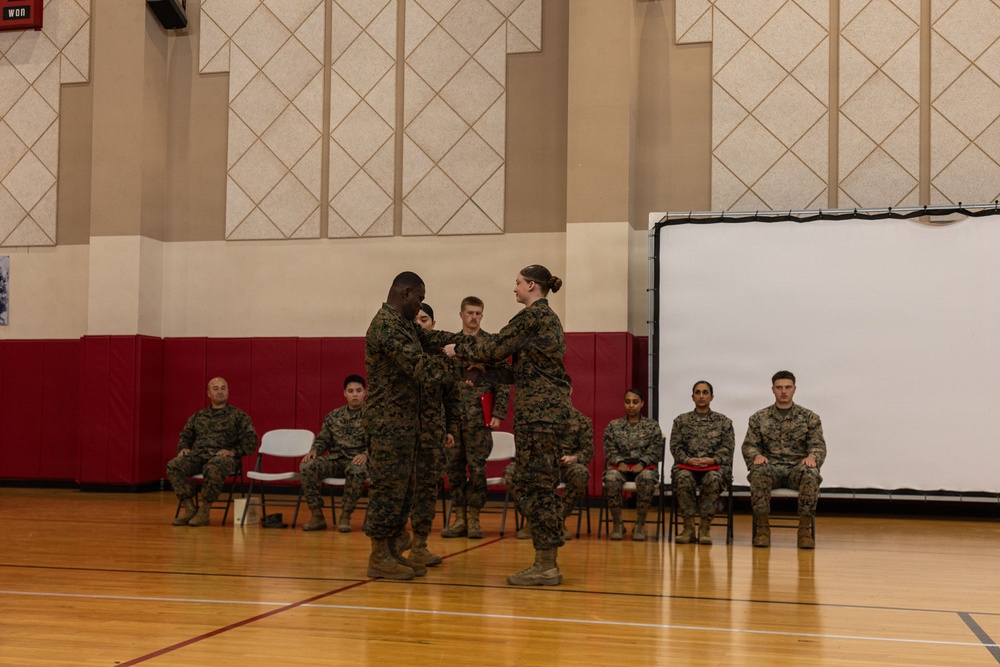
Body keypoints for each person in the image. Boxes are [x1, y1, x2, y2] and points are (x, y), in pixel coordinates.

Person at [444, 264, 572, 586]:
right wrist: (484, 374)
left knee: (538, 487)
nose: (514, 288)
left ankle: (546, 564)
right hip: (544, 412)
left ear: (531, 285)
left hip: (539, 416)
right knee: (536, 485)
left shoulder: (533, 317)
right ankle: (547, 555)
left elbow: (495, 346)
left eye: (517, 283)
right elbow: (525, 372)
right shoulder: (548, 320)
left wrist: (457, 349)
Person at [364, 271, 466, 580]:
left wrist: (468, 342)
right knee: (387, 489)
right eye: (419, 298)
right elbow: (421, 367)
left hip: (406, 425)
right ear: (406, 293)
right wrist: (461, 368)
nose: (421, 304)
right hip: (388, 425)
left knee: (403, 491)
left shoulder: (404, 326)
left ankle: (394, 552)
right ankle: (379, 555)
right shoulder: (385, 327)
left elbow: (432, 338)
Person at [441, 296, 510, 540]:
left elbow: (503, 381)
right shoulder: (450, 345)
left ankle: (474, 517)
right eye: (470, 313)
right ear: (461, 314)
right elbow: (442, 381)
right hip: (454, 418)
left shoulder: (491, 344)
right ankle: (459, 516)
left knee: (478, 469)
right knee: (455, 469)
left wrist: (498, 413)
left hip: (479, 418)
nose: (474, 317)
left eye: (478, 313)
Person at [742, 370, 827, 549]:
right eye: (779, 387)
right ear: (772, 389)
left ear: (794, 389)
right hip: (770, 468)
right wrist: (756, 456)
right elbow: (749, 445)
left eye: (787, 387)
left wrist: (812, 457)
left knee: (811, 473)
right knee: (758, 471)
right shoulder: (759, 418)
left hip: (797, 468)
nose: (783, 391)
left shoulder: (809, 418)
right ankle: (763, 530)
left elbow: (818, 445)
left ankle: (804, 530)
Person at [406, 303, 459, 566]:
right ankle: (393, 544)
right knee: (402, 490)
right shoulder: (402, 352)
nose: (419, 324)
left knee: (427, 491)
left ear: (433, 325)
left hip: (432, 436)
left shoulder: (442, 357)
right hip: (403, 434)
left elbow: (452, 398)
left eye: (424, 319)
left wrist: (450, 429)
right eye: (415, 320)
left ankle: (419, 546)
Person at [167, 377, 257, 527]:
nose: (220, 391)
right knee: (173, 465)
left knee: (214, 466)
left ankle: (204, 510)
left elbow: (251, 441)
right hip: (200, 455)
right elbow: (185, 435)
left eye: (223, 388)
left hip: (223, 458)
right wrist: (183, 447)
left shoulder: (238, 416)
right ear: (208, 393)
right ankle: (189, 507)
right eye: (215, 389)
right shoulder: (198, 416)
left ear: (228, 391)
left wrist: (233, 452)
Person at [511, 377, 592, 542]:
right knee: (511, 472)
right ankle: (533, 520)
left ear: (570, 391)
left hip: (566, 467)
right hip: (542, 465)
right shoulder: (539, 419)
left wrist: (573, 458)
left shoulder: (582, 421)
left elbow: (588, 451)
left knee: (581, 473)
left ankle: (557, 521)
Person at [299, 374, 369, 532]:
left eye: (358, 390)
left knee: (355, 470)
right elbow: (323, 439)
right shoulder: (333, 416)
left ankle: (345, 516)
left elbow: (380, 443)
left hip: (359, 461)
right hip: (336, 460)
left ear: (365, 392)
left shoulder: (373, 417)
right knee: (307, 466)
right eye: (351, 391)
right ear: (345, 393)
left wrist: (366, 454)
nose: (355, 394)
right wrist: (314, 450)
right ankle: (317, 516)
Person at [669, 381, 734, 545]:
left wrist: (712, 460)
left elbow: (727, 448)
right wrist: (688, 460)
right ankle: (689, 528)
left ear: (711, 397)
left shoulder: (723, 422)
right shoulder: (681, 421)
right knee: (683, 478)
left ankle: (705, 528)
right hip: (687, 467)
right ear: (692, 397)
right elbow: (675, 447)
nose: (701, 396)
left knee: (712, 478)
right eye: (697, 393)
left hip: (714, 468)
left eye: (705, 392)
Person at [602, 388, 664, 541]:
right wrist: (619, 461)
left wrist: (643, 462)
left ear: (642, 404)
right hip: (620, 467)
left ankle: (640, 524)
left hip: (644, 467)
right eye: (627, 402)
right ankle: (617, 524)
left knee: (647, 478)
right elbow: (609, 447)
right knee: (610, 478)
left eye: (635, 402)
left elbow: (656, 449)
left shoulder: (652, 426)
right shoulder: (614, 425)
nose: (631, 405)